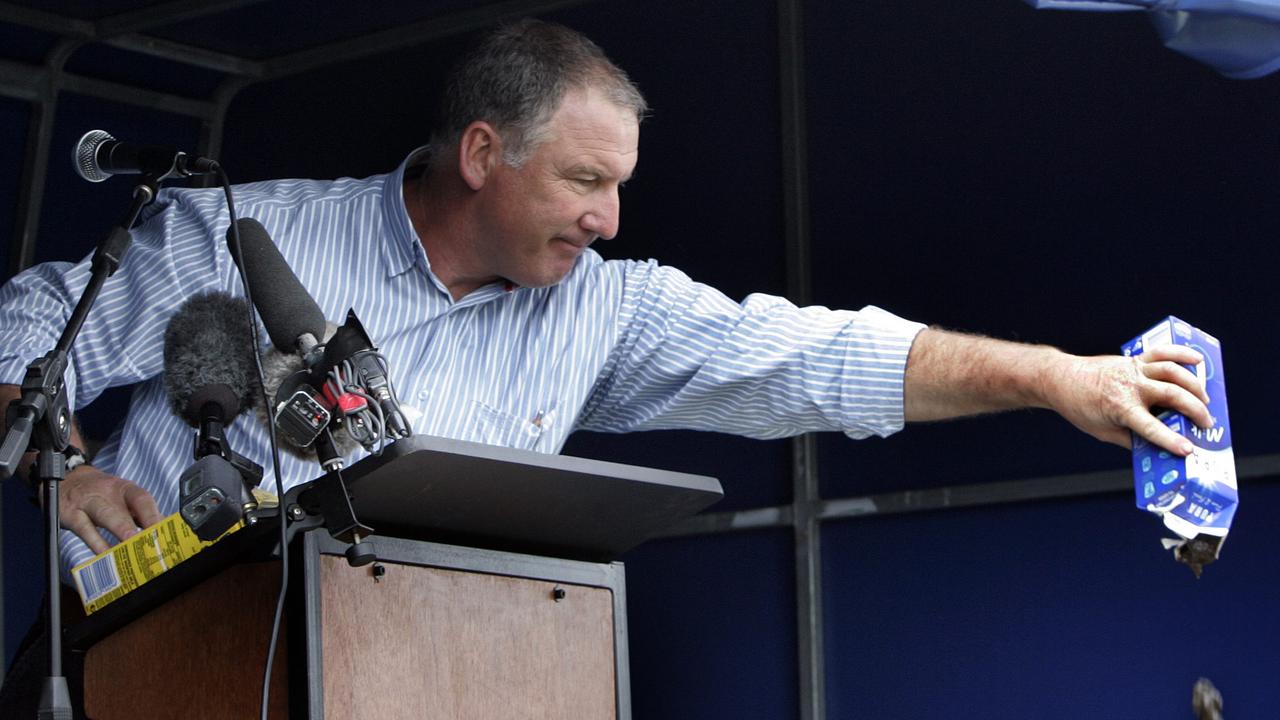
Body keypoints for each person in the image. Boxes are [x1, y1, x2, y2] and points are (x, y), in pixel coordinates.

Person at [0, 17, 1210, 585]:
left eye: (618, 188)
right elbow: (16, 339)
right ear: (482, 154)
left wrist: (1053, 377)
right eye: (584, 181)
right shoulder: (235, 233)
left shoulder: (602, 308)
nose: (609, 221)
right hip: (153, 667)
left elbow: (814, 358)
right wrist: (63, 467)